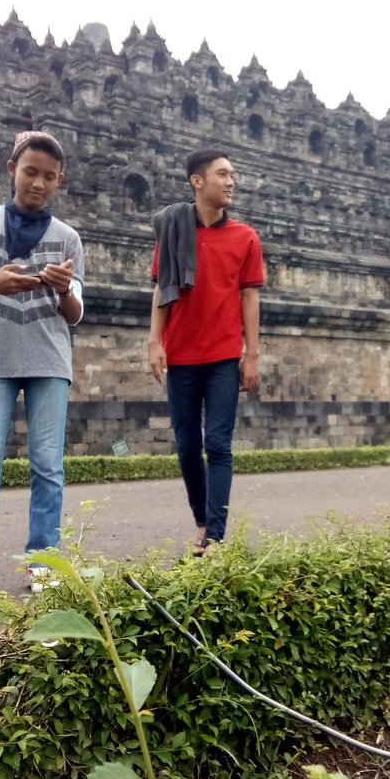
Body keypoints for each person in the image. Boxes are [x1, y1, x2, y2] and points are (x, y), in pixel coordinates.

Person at [0, 131, 85, 599]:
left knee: (48, 466)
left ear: (59, 180)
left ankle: (42, 562)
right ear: (12, 169)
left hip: (49, 360)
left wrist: (62, 289)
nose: (39, 183)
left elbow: (76, 314)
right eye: (31, 172)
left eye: (49, 176)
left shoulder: (68, 237)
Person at [148, 149, 264, 555]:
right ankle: (202, 519)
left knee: (218, 443)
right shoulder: (173, 231)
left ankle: (214, 535)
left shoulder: (245, 237)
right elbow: (162, 289)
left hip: (222, 355)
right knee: (185, 444)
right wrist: (154, 343)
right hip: (180, 353)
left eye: (232, 174)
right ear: (197, 181)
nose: (230, 181)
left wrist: (252, 354)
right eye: (221, 174)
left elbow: (249, 297)